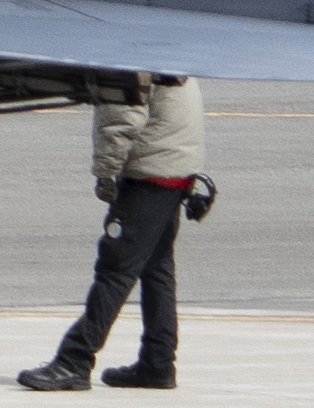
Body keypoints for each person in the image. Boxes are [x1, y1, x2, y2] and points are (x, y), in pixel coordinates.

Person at [20, 73, 208, 391]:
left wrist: (105, 172)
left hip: (150, 176)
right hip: (175, 170)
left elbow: (122, 116)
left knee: (115, 269)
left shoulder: (128, 57)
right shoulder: (168, 48)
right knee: (156, 270)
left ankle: (74, 361)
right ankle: (157, 364)